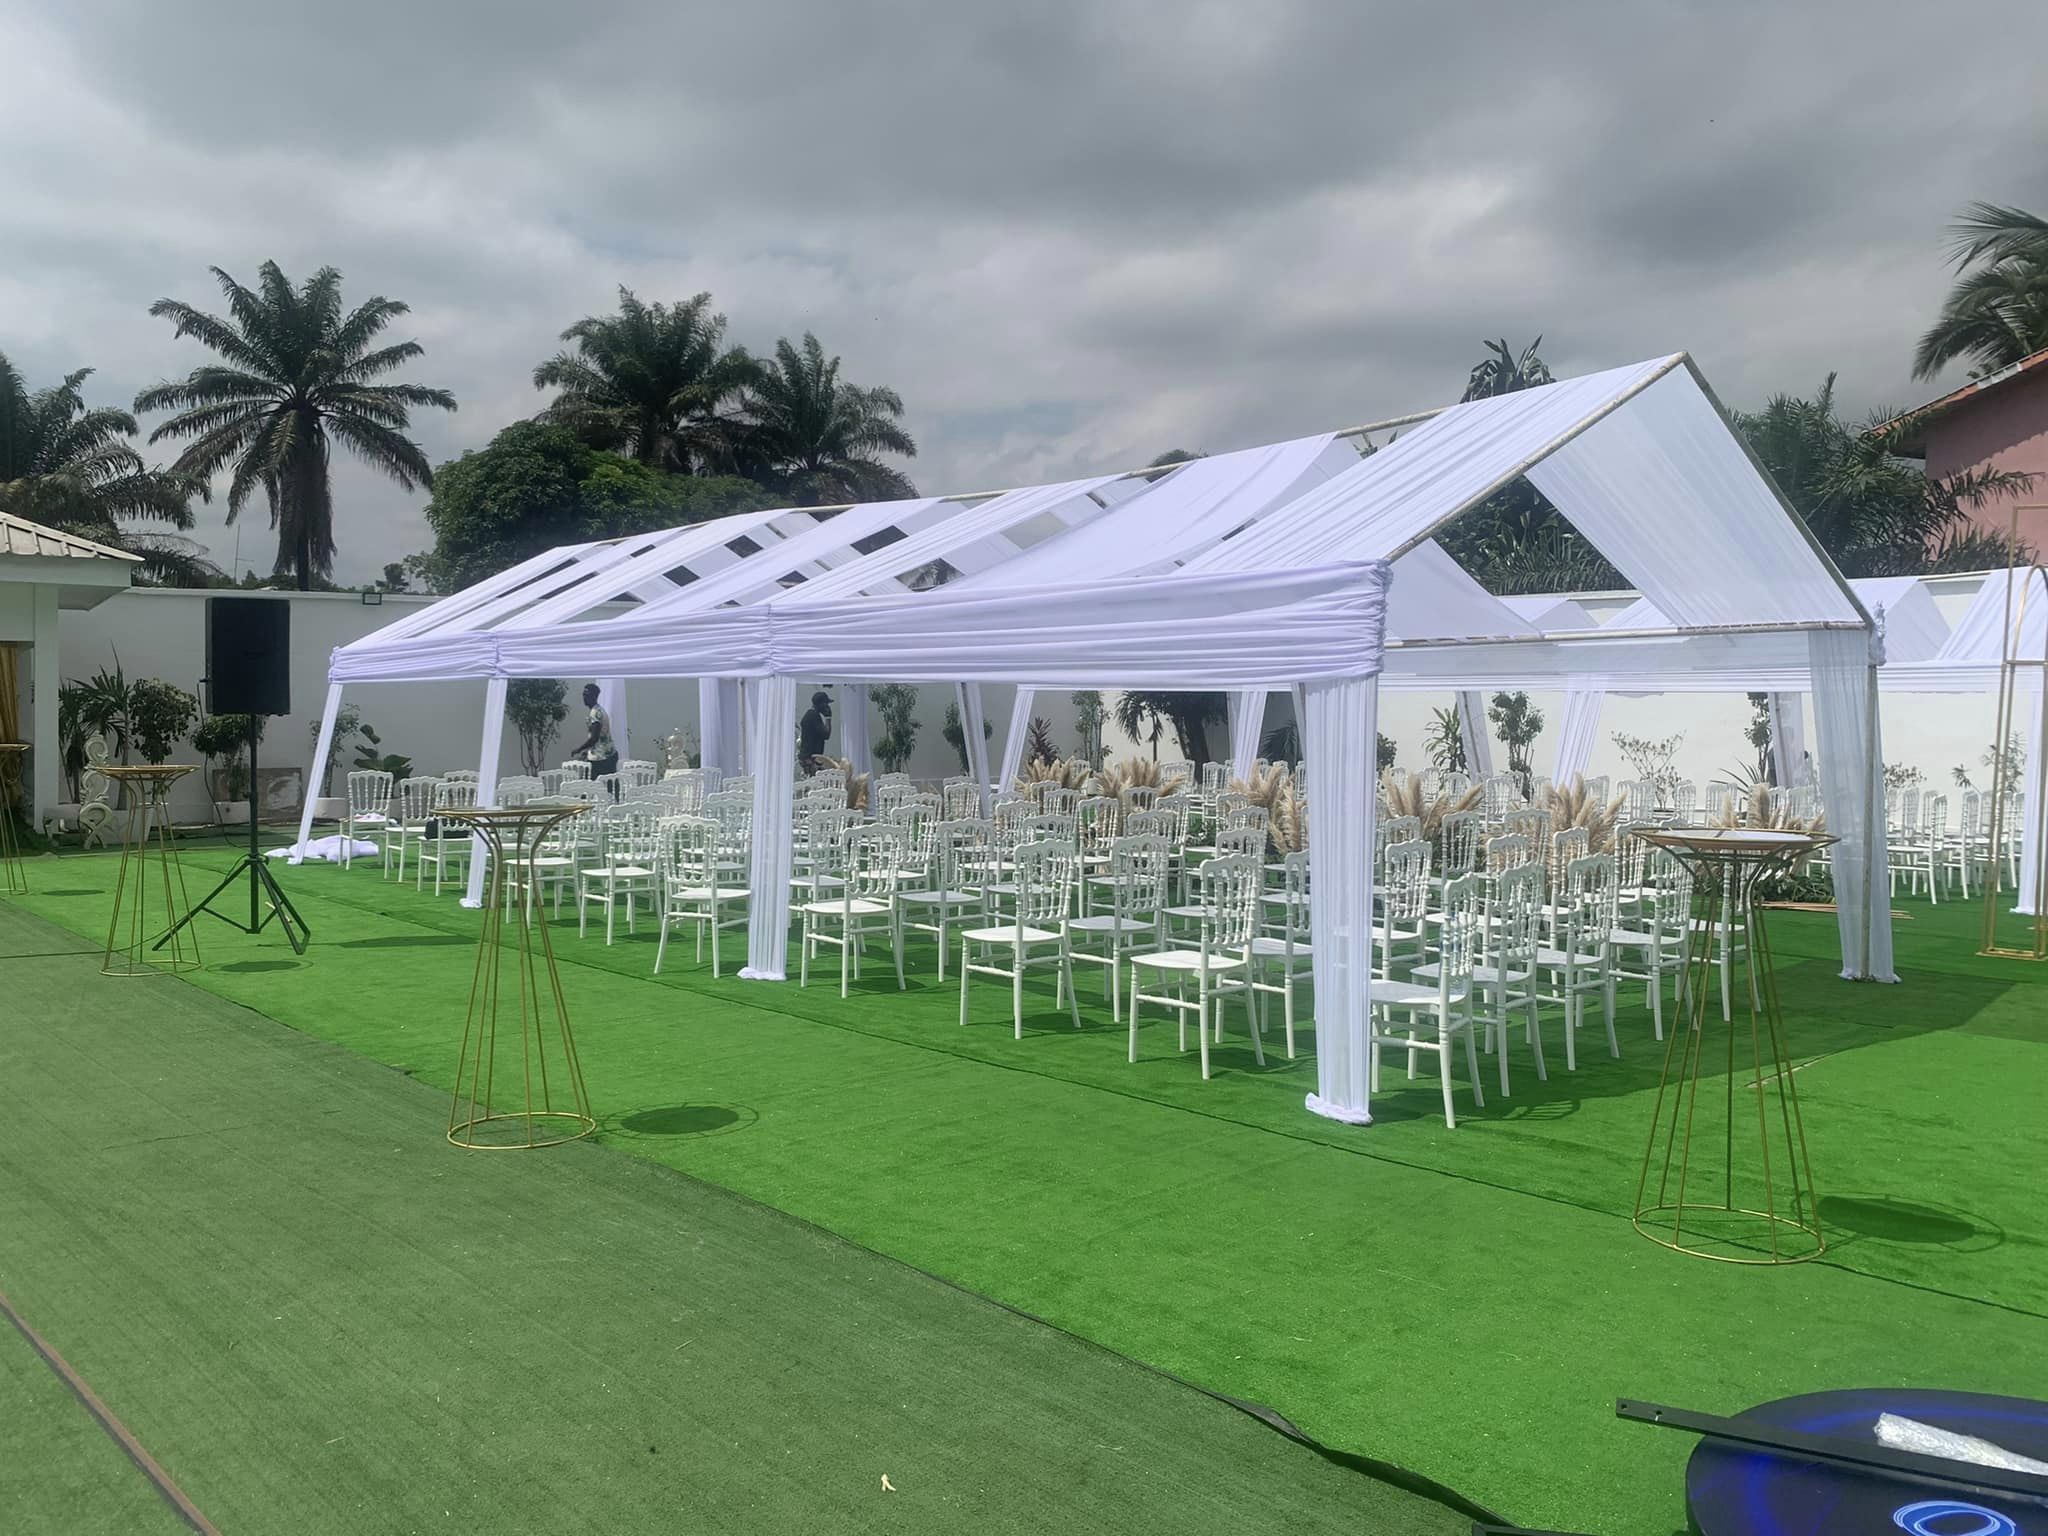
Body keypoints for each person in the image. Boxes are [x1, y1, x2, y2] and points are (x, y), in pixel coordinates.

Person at [571, 683, 619, 781]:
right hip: (607, 755)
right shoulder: (598, 710)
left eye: (587, 695)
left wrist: (579, 749)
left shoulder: (595, 713)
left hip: (602, 757)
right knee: (609, 785)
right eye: (583, 695)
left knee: (589, 785)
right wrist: (587, 751)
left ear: (594, 696)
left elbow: (594, 738)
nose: (584, 697)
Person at [798, 690, 833, 774]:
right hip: (811, 758)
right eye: (826, 704)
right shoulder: (814, 716)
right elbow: (826, 735)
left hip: (807, 756)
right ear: (821, 704)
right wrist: (828, 717)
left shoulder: (809, 714)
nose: (827, 707)